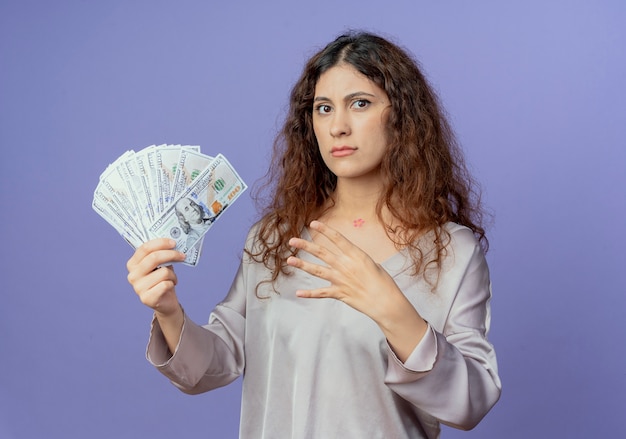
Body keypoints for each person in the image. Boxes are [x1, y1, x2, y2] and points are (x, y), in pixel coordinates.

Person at [126, 31, 501, 439]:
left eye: (360, 104)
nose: (338, 126)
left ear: (404, 117)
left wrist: (394, 310)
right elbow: (213, 365)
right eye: (324, 108)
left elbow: (471, 402)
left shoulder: (451, 252)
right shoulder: (274, 238)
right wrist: (168, 311)